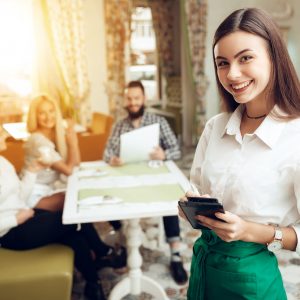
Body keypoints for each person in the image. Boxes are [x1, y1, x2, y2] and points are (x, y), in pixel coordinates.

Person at [179, 7, 300, 300]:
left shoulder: (295, 137)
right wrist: (191, 208)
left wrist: (250, 231)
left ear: (274, 57)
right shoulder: (214, 127)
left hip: (252, 281)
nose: (232, 74)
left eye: (245, 58)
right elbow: (199, 190)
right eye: (222, 63)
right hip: (204, 267)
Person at [0, 127, 128, 300]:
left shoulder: (3, 162)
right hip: (9, 233)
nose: (5, 134)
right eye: (0, 132)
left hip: (23, 216)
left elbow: (19, 196)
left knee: (74, 235)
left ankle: (93, 284)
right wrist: (15, 219)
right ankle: (102, 252)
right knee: (73, 220)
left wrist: (31, 171)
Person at [103, 80, 188, 285]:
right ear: (125, 100)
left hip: (154, 175)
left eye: (136, 98)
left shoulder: (158, 122)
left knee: (171, 201)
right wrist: (112, 159)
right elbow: (106, 153)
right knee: (108, 200)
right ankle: (124, 244)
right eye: (129, 98)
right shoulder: (119, 125)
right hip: (127, 178)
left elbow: (176, 150)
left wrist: (164, 153)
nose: (133, 102)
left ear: (144, 99)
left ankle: (175, 254)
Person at [23, 94, 81, 211]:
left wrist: (72, 142)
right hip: (33, 194)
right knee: (78, 199)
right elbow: (69, 171)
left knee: (81, 194)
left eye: (51, 111)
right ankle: (118, 227)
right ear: (35, 116)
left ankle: (117, 227)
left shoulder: (54, 136)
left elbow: (76, 164)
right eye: (42, 113)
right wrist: (73, 143)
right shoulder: (38, 140)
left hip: (49, 189)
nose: (48, 117)